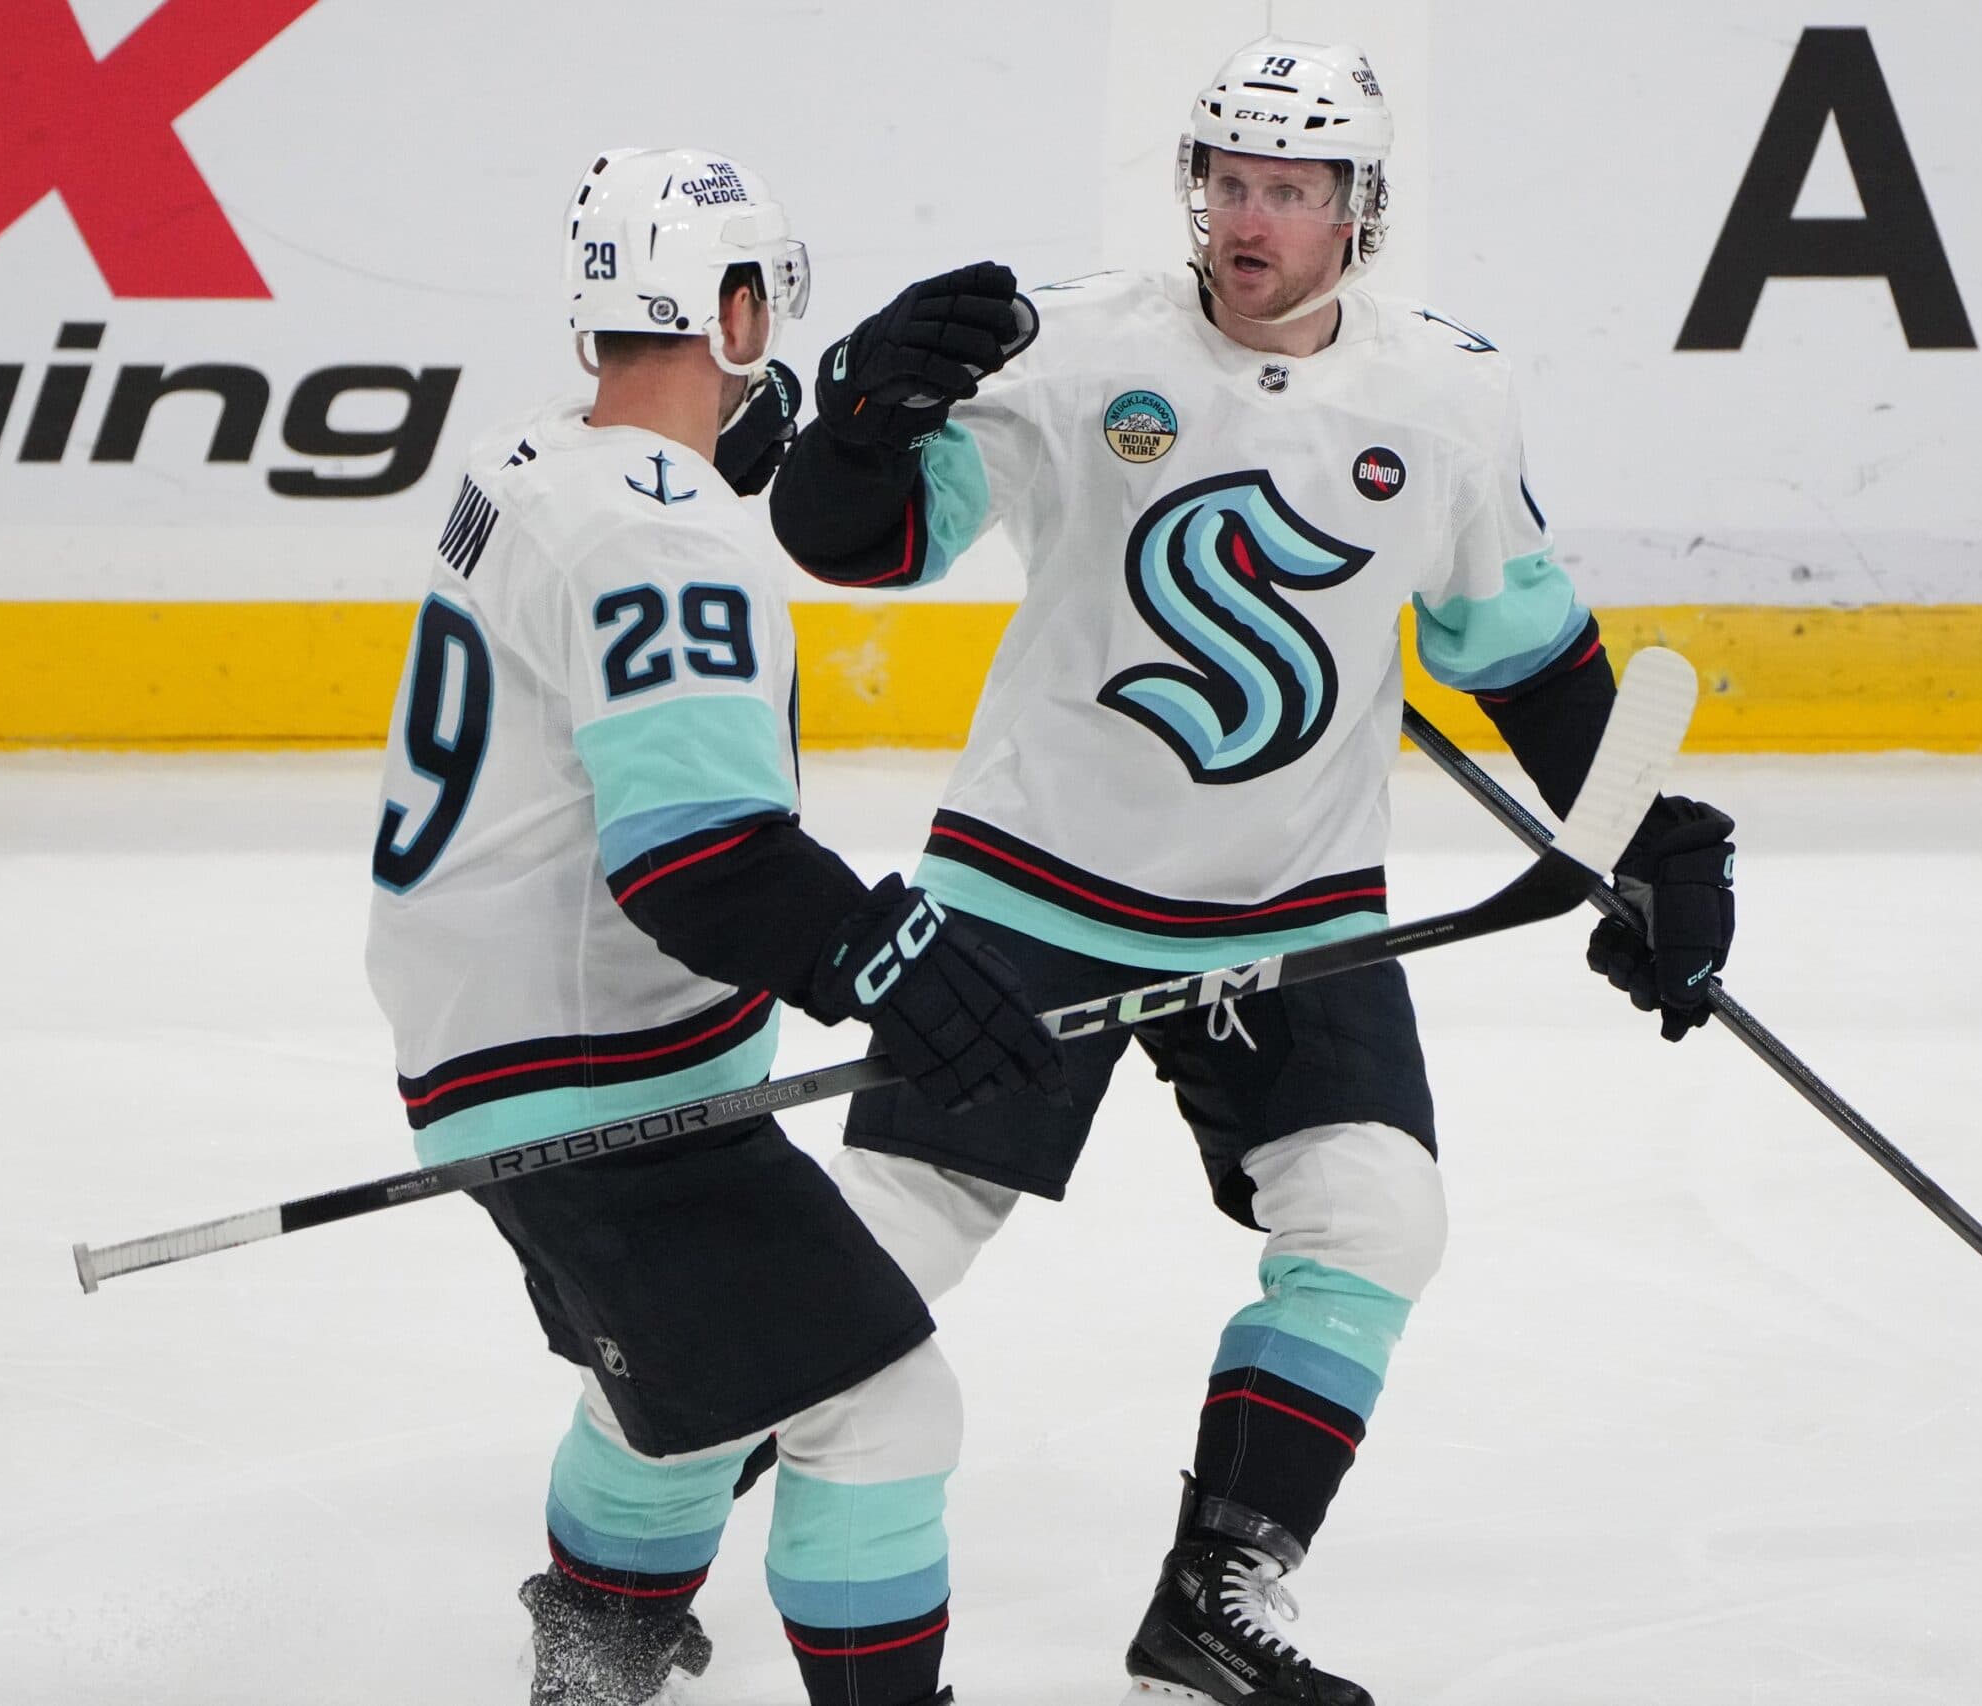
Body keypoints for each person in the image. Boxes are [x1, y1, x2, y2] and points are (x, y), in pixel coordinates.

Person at [767, 38, 1738, 1706]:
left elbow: (1522, 653)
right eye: (1227, 180)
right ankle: (630, 1538)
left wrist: (1651, 838)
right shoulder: (1075, 350)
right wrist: (855, 431)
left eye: (1289, 190)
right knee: (876, 1255)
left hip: (1290, 913)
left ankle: (1218, 1586)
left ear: (1360, 210)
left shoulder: (1443, 394)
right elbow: (864, 543)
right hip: (1028, 892)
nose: (1248, 220)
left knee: (1376, 1211)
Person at [364, 145, 1063, 1706]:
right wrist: (892, 957)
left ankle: (598, 1634)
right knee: (884, 1413)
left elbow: (678, 503)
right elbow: (700, 862)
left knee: (697, 1382)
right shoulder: (665, 541)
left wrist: (848, 437)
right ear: (736, 310)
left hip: (509, 1046)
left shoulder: (535, 460)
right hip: (600, 1082)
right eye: (764, 307)